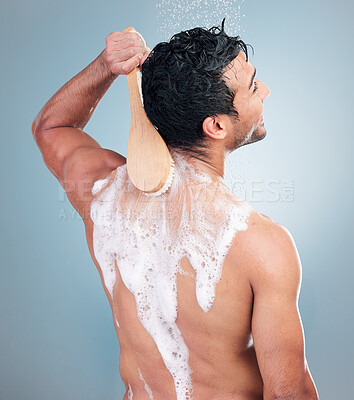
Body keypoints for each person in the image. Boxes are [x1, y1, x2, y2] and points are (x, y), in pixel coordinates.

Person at [32, 20, 319, 400]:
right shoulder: (262, 245)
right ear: (215, 125)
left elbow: (50, 127)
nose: (264, 91)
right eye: (252, 87)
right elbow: (289, 394)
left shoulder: (103, 193)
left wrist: (106, 66)